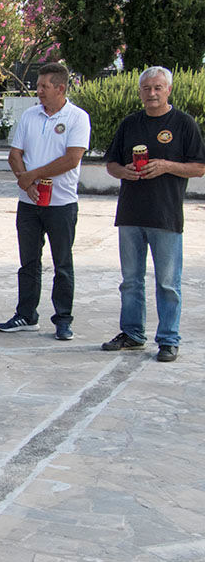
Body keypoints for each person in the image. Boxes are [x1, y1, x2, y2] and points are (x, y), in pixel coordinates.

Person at [100, 66, 205, 363]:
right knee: (130, 281)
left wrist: (166, 166)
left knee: (168, 283)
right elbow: (111, 164)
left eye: (158, 87)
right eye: (147, 88)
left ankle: (169, 339)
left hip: (165, 216)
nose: (152, 93)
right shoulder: (130, 123)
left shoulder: (183, 124)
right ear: (140, 92)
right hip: (130, 214)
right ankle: (132, 334)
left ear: (168, 90)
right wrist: (124, 172)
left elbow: (199, 167)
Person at [0, 62, 90, 341]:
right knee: (28, 262)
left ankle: (63, 319)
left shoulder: (77, 118)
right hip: (29, 204)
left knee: (62, 263)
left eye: (43, 86)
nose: (38, 91)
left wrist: (33, 175)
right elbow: (15, 154)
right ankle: (26, 314)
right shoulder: (30, 115)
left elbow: (71, 158)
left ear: (60, 88)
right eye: (38, 86)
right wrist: (25, 181)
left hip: (61, 204)